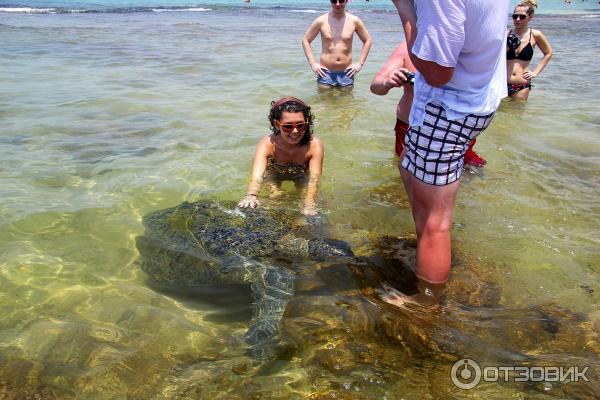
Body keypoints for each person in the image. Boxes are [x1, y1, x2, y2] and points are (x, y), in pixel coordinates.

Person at [381, 0, 510, 307]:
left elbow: (438, 73)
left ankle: (426, 303)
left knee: (434, 221)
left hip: (450, 107)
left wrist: (405, 9)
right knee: (413, 183)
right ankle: (429, 256)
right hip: (476, 98)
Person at [370, 42, 487, 166]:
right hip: (410, 127)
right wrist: (387, 82)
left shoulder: (467, 47)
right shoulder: (408, 47)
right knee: (407, 174)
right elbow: (375, 87)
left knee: (468, 172)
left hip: (457, 130)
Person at [238, 97, 324, 216]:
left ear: (307, 122)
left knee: (306, 200)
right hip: (275, 173)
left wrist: (309, 204)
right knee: (275, 196)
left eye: (300, 125)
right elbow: (257, 176)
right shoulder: (267, 144)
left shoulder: (314, 145)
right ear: (277, 124)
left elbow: (314, 179)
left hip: (301, 174)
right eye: (288, 126)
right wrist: (251, 195)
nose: (295, 131)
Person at [302, 0, 372, 89]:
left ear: (347, 1)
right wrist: (313, 64)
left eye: (341, 1)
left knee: (346, 102)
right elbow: (305, 40)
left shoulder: (354, 21)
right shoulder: (321, 21)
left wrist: (360, 64)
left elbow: (368, 40)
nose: (337, 4)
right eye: (334, 1)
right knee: (323, 102)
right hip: (325, 72)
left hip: (347, 72)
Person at [507, 0, 553, 100]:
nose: (517, 19)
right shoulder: (506, 34)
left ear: (530, 17)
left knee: (517, 115)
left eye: (522, 16)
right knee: (500, 114)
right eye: (515, 16)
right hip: (501, 84)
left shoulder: (535, 35)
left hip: (521, 86)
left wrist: (536, 72)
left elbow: (548, 53)